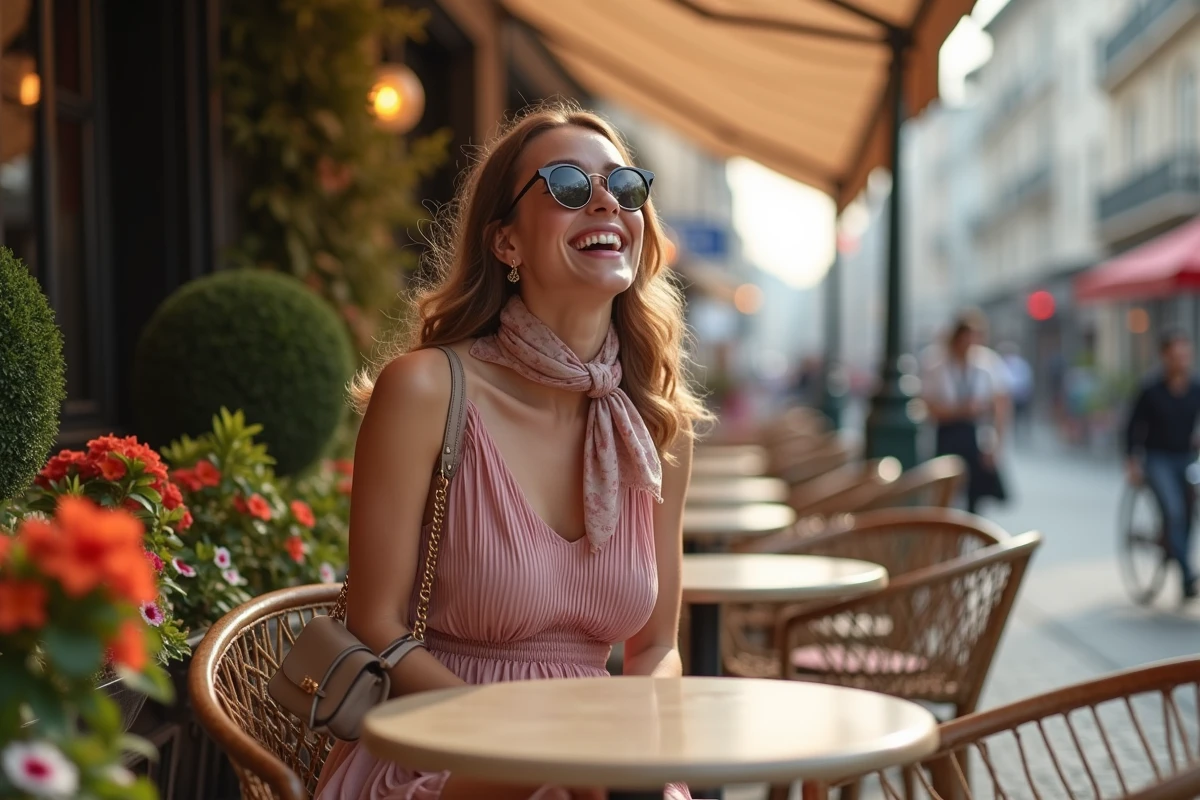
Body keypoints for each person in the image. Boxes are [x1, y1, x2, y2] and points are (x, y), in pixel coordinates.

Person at [312, 102, 707, 800]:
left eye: (624, 188)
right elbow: (376, 625)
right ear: (506, 243)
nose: (605, 206)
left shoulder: (655, 427)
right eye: (567, 186)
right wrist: (538, 750)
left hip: (603, 761)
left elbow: (656, 647)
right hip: (442, 751)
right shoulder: (428, 389)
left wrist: (622, 749)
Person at [1125, 329, 1200, 601]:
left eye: (1185, 355)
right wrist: (1132, 460)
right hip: (1157, 458)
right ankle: (1187, 570)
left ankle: (1182, 567)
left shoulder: (1195, 387)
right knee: (1174, 510)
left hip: (1186, 457)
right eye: (1175, 355)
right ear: (1165, 356)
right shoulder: (1151, 389)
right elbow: (1133, 427)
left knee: (1189, 511)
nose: (1181, 360)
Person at [921, 314, 1011, 514]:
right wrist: (961, 410)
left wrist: (996, 443)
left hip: (977, 435)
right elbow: (928, 406)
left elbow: (1000, 405)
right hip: (948, 434)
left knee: (975, 494)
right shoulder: (937, 365)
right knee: (946, 490)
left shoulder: (987, 364)